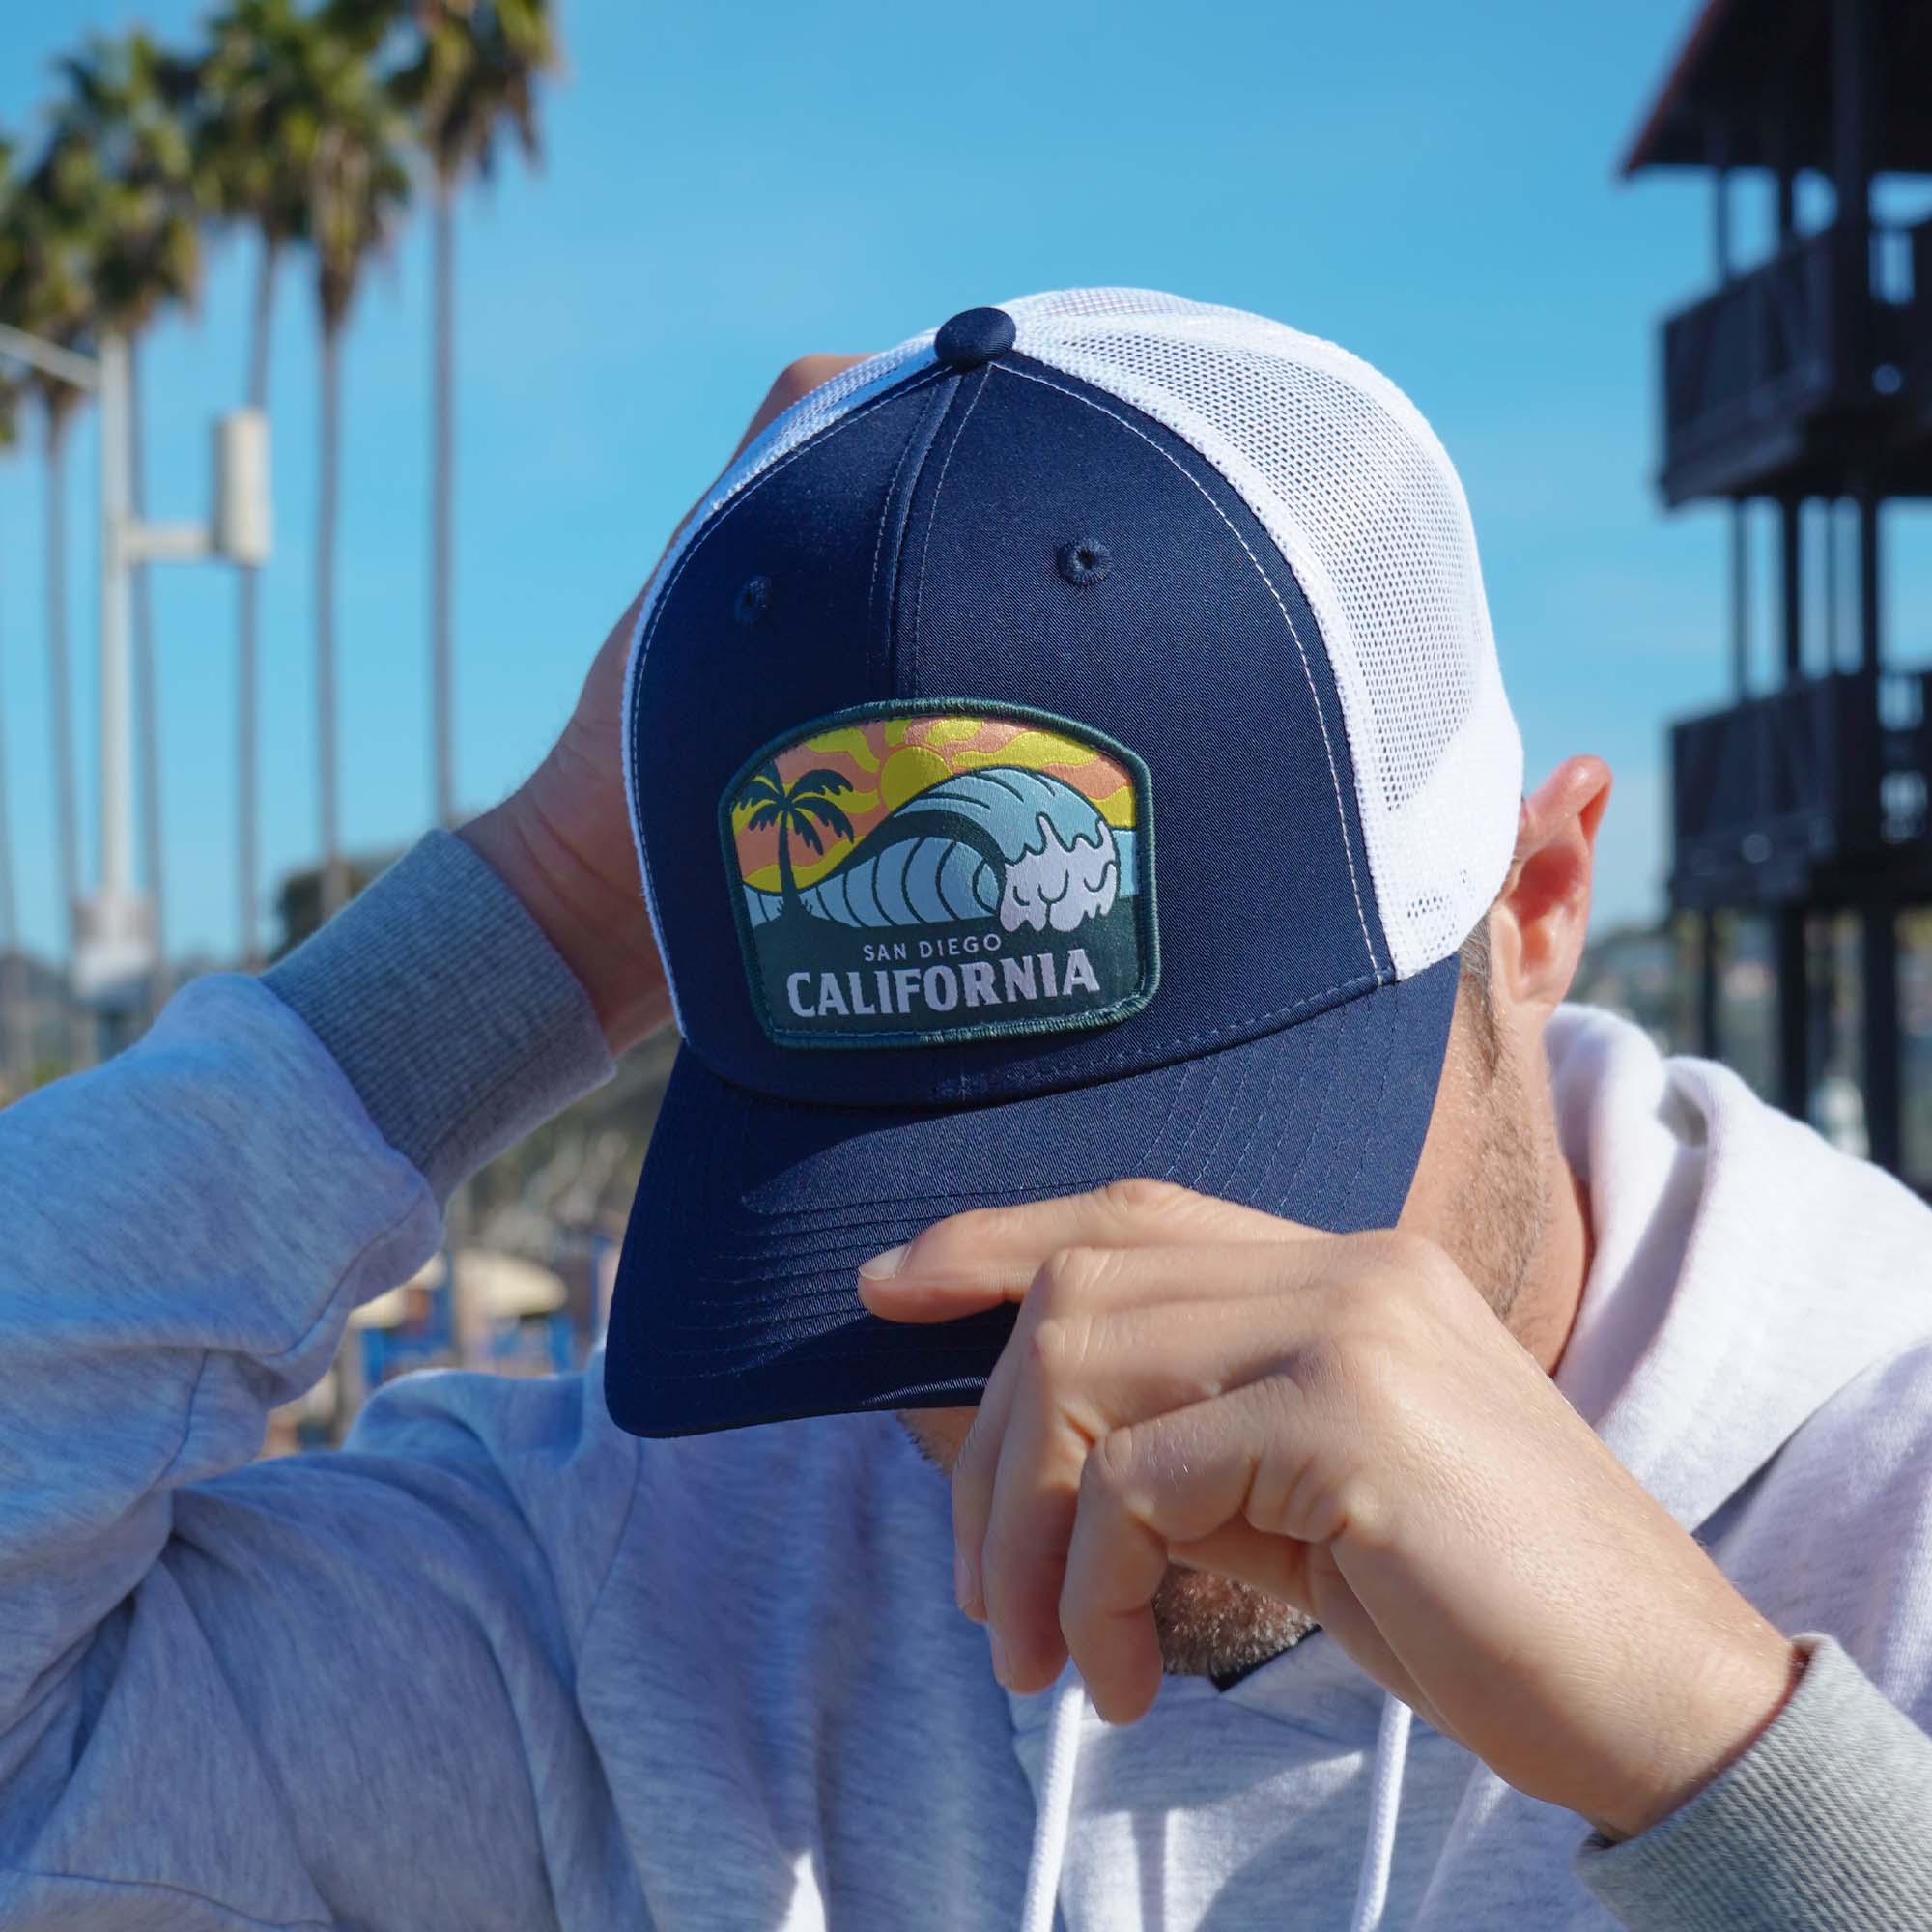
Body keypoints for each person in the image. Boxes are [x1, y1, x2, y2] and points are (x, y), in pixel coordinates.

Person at [3, 289, 1930, 1932]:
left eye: (1213, 1178)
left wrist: (1723, 1756)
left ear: (1532, 911)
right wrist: (553, 899)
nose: (1078, 1357)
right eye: (906, 1228)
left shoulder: (1888, 1486)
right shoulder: (656, 1576)